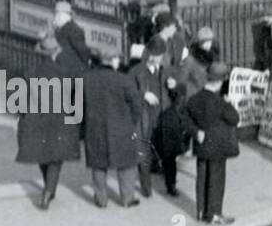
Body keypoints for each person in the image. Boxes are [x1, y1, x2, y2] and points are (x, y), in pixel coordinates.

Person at [15, 35, 83, 210]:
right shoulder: (65, 73)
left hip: (36, 119)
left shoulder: (29, 71)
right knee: (56, 157)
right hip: (58, 120)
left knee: (42, 154)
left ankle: (48, 187)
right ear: (55, 53)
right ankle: (48, 190)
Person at [82, 47, 145, 208]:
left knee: (98, 163)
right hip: (122, 129)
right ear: (113, 61)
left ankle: (101, 199)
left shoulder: (87, 79)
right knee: (126, 164)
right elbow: (136, 106)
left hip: (95, 128)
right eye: (117, 58)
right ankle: (127, 198)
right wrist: (131, 122)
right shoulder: (124, 80)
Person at [181, 61, 239, 224]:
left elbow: (184, 119)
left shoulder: (194, 99)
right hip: (218, 147)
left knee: (202, 178)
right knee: (216, 180)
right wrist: (229, 103)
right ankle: (214, 214)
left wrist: (196, 132)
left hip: (201, 144)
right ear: (220, 82)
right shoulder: (220, 103)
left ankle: (201, 211)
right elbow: (235, 118)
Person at [128, 38, 170, 199]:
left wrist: (173, 85)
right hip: (144, 118)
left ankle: (169, 184)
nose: (155, 58)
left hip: (161, 116)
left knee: (163, 150)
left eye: (158, 55)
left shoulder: (165, 70)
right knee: (144, 152)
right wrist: (143, 95)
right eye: (152, 54)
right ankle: (147, 188)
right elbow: (127, 91)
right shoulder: (136, 71)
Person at [176, 26, 218, 101]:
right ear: (200, 43)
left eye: (210, 42)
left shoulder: (212, 57)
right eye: (205, 42)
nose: (208, 45)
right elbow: (182, 80)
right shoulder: (190, 59)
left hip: (210, 96)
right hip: (194, 96)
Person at [52, 0, 92, 70]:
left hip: (70, 67)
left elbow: (81, 49)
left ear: (63, 15)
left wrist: (86, 61)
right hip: (64, 66)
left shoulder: (74, 30)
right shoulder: (62, 28)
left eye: (56, 13)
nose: (55, 16)